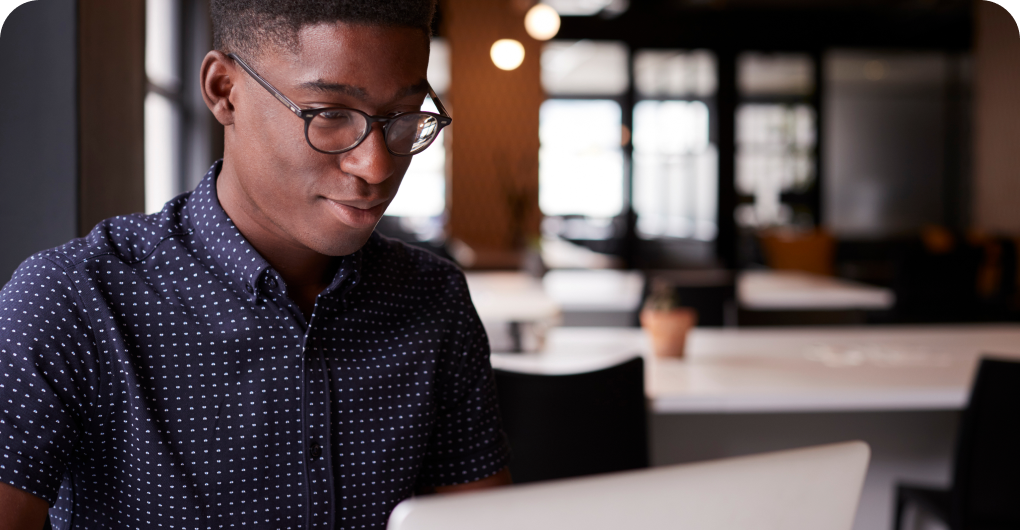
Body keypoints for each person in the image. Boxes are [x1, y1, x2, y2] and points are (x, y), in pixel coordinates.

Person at [0, 1, 511, 528]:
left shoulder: (433, 298)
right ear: (225, 90)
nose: (376, 165)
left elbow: (480, 518)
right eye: (330, 114)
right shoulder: (69, 301)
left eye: (404, 117)